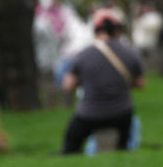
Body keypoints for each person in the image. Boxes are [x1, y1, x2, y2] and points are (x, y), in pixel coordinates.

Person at [60, 9, 145, 154]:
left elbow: (68, 86)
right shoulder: (131, 53)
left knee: (71, 144)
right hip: (122, 113)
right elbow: (141, 84)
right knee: (123, 146)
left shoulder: (83, 54)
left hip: (89, 114)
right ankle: (122, 150)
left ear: (95, 32)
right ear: (117, 31)